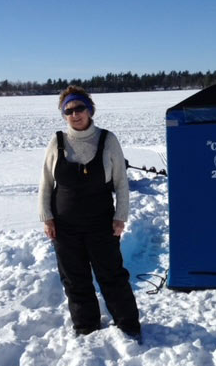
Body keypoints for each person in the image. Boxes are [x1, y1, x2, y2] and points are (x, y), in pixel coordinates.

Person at [39, 85, 141, 339]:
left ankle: (128, 325)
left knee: (112, 275)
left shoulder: (108, 140)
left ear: (90, 109)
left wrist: (121, 217)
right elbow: (45, 183)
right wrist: (46, 217)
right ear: (64, 115)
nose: (75, 114)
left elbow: (121, 183)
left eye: (80, 108)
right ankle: (86, 328)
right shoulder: (57, 142)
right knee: (75, 278)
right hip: (64, 225)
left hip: (101, 223)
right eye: (69, 110)